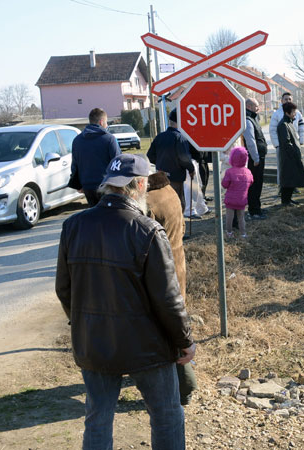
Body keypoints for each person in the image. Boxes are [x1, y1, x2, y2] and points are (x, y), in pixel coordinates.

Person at [55, 153, 195, 449]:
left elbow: (64, 289)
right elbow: (168, 299)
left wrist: (83, 322)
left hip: (94, 342)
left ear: (109, 184)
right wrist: (185, 340)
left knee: (97, 419)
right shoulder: (147, 231)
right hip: (148, 348)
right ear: (141, 185)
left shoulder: (74, 226)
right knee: (167, 415)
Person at [145, 171, 198, 407]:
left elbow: (144, 242)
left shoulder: (148, 202)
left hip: (161, 271)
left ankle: (185, 385)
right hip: (178, 264)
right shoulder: (170, 191)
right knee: (176, 320)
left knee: (168, 329)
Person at [69, 107, 121, 206]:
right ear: (101, 122)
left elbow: (75, 165)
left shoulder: (77, 140)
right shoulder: (109, 139)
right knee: (109, 217)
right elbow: (117, 162)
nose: (107, 126)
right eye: (106, 123)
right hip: (107, 186)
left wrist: (78, 184)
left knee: (94, 216)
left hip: (87, 187)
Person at [147, 109, 195, 211]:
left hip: (161, 177)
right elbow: (184, 159)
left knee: (163, 205)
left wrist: (160, 163)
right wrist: (191, 169)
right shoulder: (180, 138)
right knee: (177, 204)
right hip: (176, 178)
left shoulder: (159, 137)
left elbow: (150, 156)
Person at [269, 92, 304, 186]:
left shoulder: (297, 112)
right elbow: (272, 130)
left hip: (295, 144)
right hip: (282, 146)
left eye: (289, 99)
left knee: (295, 166)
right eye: (286, 99)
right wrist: (277, 145)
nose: (287, 101)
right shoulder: (277, 114)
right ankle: (281, 187)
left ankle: (294, 186)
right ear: (281, 100)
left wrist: (301, 140)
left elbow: (301, 126)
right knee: (282, 168)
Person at [243, 98, 268, 220]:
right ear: (249, 106)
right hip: (255, 159)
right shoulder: (248, 120)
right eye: (256, 106)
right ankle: (254, 211)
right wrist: (256, 157)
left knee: (258, 183)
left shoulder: (253, 118)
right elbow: (251, 141)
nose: (258, 109)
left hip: (258, 157)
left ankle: (257, 207)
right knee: (255, 185)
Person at [277, 102, 304, 206]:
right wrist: (294, 153)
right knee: (287, 179)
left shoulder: (289, 122)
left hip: (292, 156)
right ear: (287, 112)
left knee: (291, 179)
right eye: (293, 112)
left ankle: (288, 199)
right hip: (288, 157)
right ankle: (285, 201)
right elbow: (286, 142)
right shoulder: (283, 125)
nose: (295, 114)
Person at [221, 147, 255, 238]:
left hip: (230, 199)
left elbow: (224, 184)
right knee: (241, 217)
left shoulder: (229, 171)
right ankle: (243, 234)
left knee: (229, 217)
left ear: (232, 158)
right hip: (242, 198)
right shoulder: (248, 171)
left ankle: (229, 233)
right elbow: (251, 181)